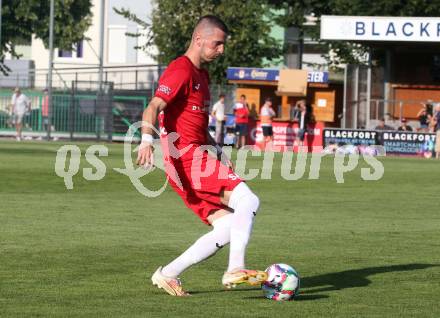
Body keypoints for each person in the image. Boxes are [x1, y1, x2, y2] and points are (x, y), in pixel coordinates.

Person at [136, 15, 266, 297]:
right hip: (187, 158)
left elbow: (197, 125)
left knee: (229, 225)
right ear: (198, 40)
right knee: (249, 200)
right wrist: (145, 141)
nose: (221, 50)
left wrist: (218, 152)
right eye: (217, 44)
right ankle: (235, 269)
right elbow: (154, 106)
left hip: (186, 163)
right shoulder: (180, 69)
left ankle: (168, 274)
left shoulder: (202, 76)